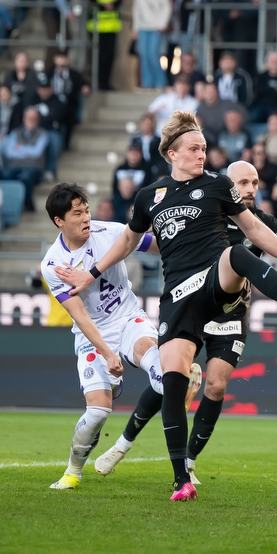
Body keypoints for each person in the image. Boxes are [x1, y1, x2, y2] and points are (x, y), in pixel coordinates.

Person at [53, 111, 277, 502]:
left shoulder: (218, 184)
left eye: (203, 148)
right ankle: (181, 479)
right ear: (171, 153)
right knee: (173, 381)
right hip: (178, 295)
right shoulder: (150, 196)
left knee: (236, 253)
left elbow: (255, 229)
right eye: (194, 149)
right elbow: (129, 242)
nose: (202, 155)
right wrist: (91, 273)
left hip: (215, 278)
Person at [95, 161, 277, 484]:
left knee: (217, 383)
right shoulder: (204, 207)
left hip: (230, 312)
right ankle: (123, 443)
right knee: (170, 378)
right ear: (226, 184)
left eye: (254, 182)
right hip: (192, 301)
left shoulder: (262, 223)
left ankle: (190, 463)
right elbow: (156, 239)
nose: (251, 189)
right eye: (243, 183)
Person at [40, 183, 200, 490]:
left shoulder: (110, 233)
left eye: (86, 209)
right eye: (77, 213)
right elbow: (81, 316)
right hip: (93, 337)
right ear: (59, 221)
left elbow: (153, 244)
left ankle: (177, 382)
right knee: (97, 413)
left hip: (129, 320)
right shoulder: (52, 265)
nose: (85, 217)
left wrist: (180, 242)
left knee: (159, 372)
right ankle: (73, 472)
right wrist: (108, 354)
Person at [132, 0, 173, 89]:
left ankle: (160, 82)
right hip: (143, 27)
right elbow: (136, 9)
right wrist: (135, 27)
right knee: (143, 54)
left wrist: (162, 24)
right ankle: (147, 83)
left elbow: (167, 7)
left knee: (153, 54)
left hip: (156, 28)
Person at [87, 0, 121, 90]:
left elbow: (118, 1)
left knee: (110, 57)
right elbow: (93, 2)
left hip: (111, 28)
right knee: (98, 58)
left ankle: (106, 83)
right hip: (97, 28)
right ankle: (98, 82)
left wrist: (105, 4)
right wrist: (105, 5)